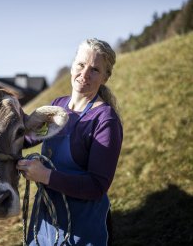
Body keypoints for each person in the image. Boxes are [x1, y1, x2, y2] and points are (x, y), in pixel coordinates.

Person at [17, 38, 123, 246]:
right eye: (81, 65)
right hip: (45, 223)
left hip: (83, 230)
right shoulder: (57, 105)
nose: (84, 75)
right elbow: (27, 138)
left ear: (105, 77)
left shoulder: (105, 121)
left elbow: (96, 186)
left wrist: (45, 176)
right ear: (73, 64)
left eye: (94, 70)